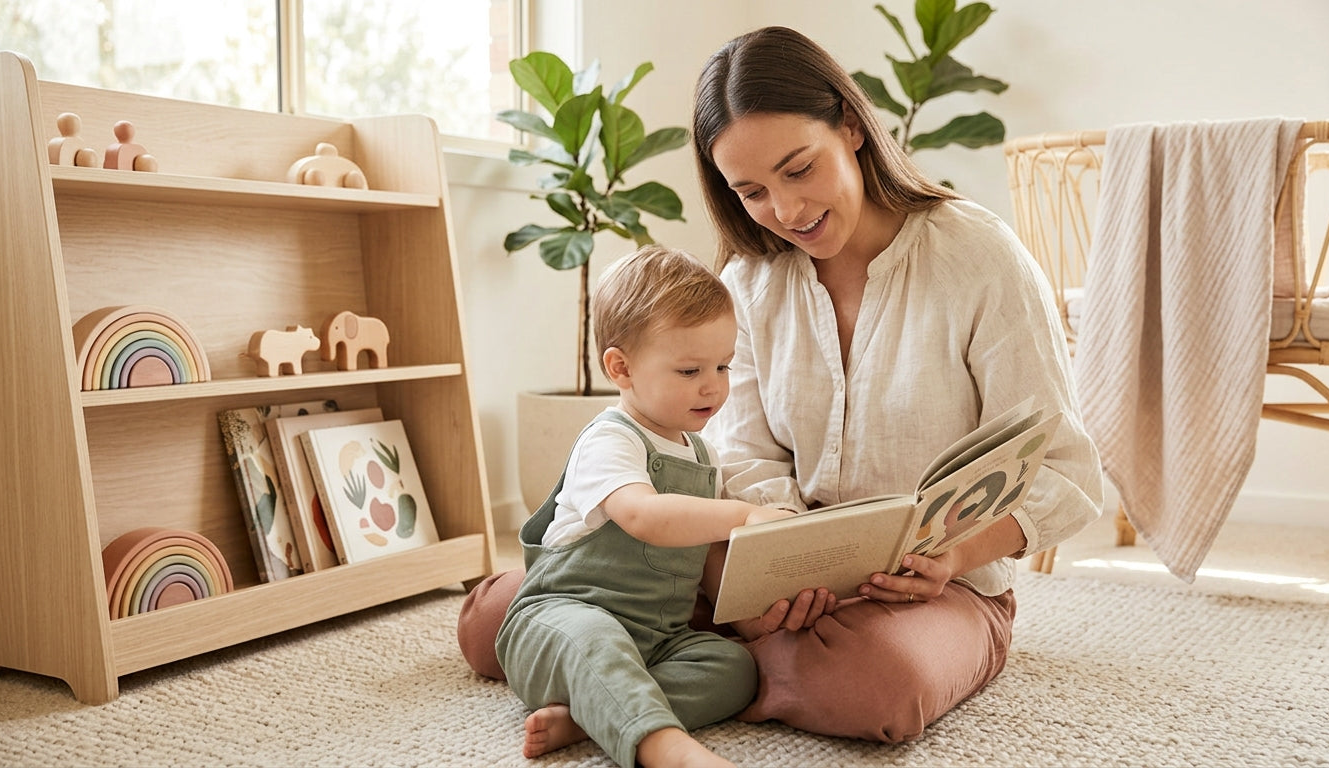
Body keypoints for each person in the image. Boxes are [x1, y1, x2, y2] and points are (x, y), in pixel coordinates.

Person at [461, 25, 1103, 744]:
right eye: (753, 192)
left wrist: (952, 556)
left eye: (800, 169)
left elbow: (1063, 470)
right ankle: (679, 672)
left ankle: (619, 694)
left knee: (876, 688)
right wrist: (778, 570)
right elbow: (741, 456)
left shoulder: (980, 258)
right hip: (767, 580)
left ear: (852, 126)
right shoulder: (752, 281)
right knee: (494, 623)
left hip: (930, 590)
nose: (787, 212)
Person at [491, 244, 795, 767]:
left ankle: (593, 714)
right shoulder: (611, 440)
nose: (713, 386)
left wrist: (750, 618)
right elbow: (645, 516)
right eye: (689, 370)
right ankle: (665, 748)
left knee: (733, 669)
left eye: (723, 366)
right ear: (621, 368)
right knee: (596, 639)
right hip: (562, 623)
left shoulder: (703, 454)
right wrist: (744, 514)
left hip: (657, 641)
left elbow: (706, 564)